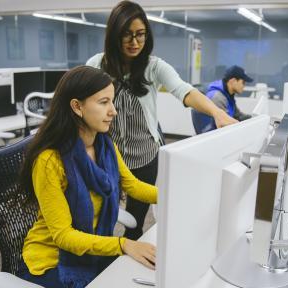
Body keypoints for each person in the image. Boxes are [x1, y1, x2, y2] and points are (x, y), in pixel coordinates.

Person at [87, 0, 237, 240]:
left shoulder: (154, 67)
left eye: (140, 35)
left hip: (144, 157)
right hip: (107, 157)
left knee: (134, 225)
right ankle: (99, 267)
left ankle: (126, 267)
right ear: (114, 35)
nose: (135, 42)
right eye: (127, 35)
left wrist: (217, 112)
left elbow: (184, 90)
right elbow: (81, 103)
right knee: (101, 221)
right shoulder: (96, 66)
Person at [19, 66, 158, 288]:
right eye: (104, 102)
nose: (113, 111)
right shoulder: (50, 161)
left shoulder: (105, 146)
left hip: (93, 252)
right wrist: (123, 244)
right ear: (77, 106)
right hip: (53, 261)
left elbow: (134, 186)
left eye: (112, 102)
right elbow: (64, 236)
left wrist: (176, 195)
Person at [192, 65, 253, 134]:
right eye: (243, 83)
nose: (244, 86)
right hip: (211, 139)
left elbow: (238, 115)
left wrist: (253, 118)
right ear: (233, 81)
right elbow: (226, 125)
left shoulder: (228, 95)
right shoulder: (217, 98)